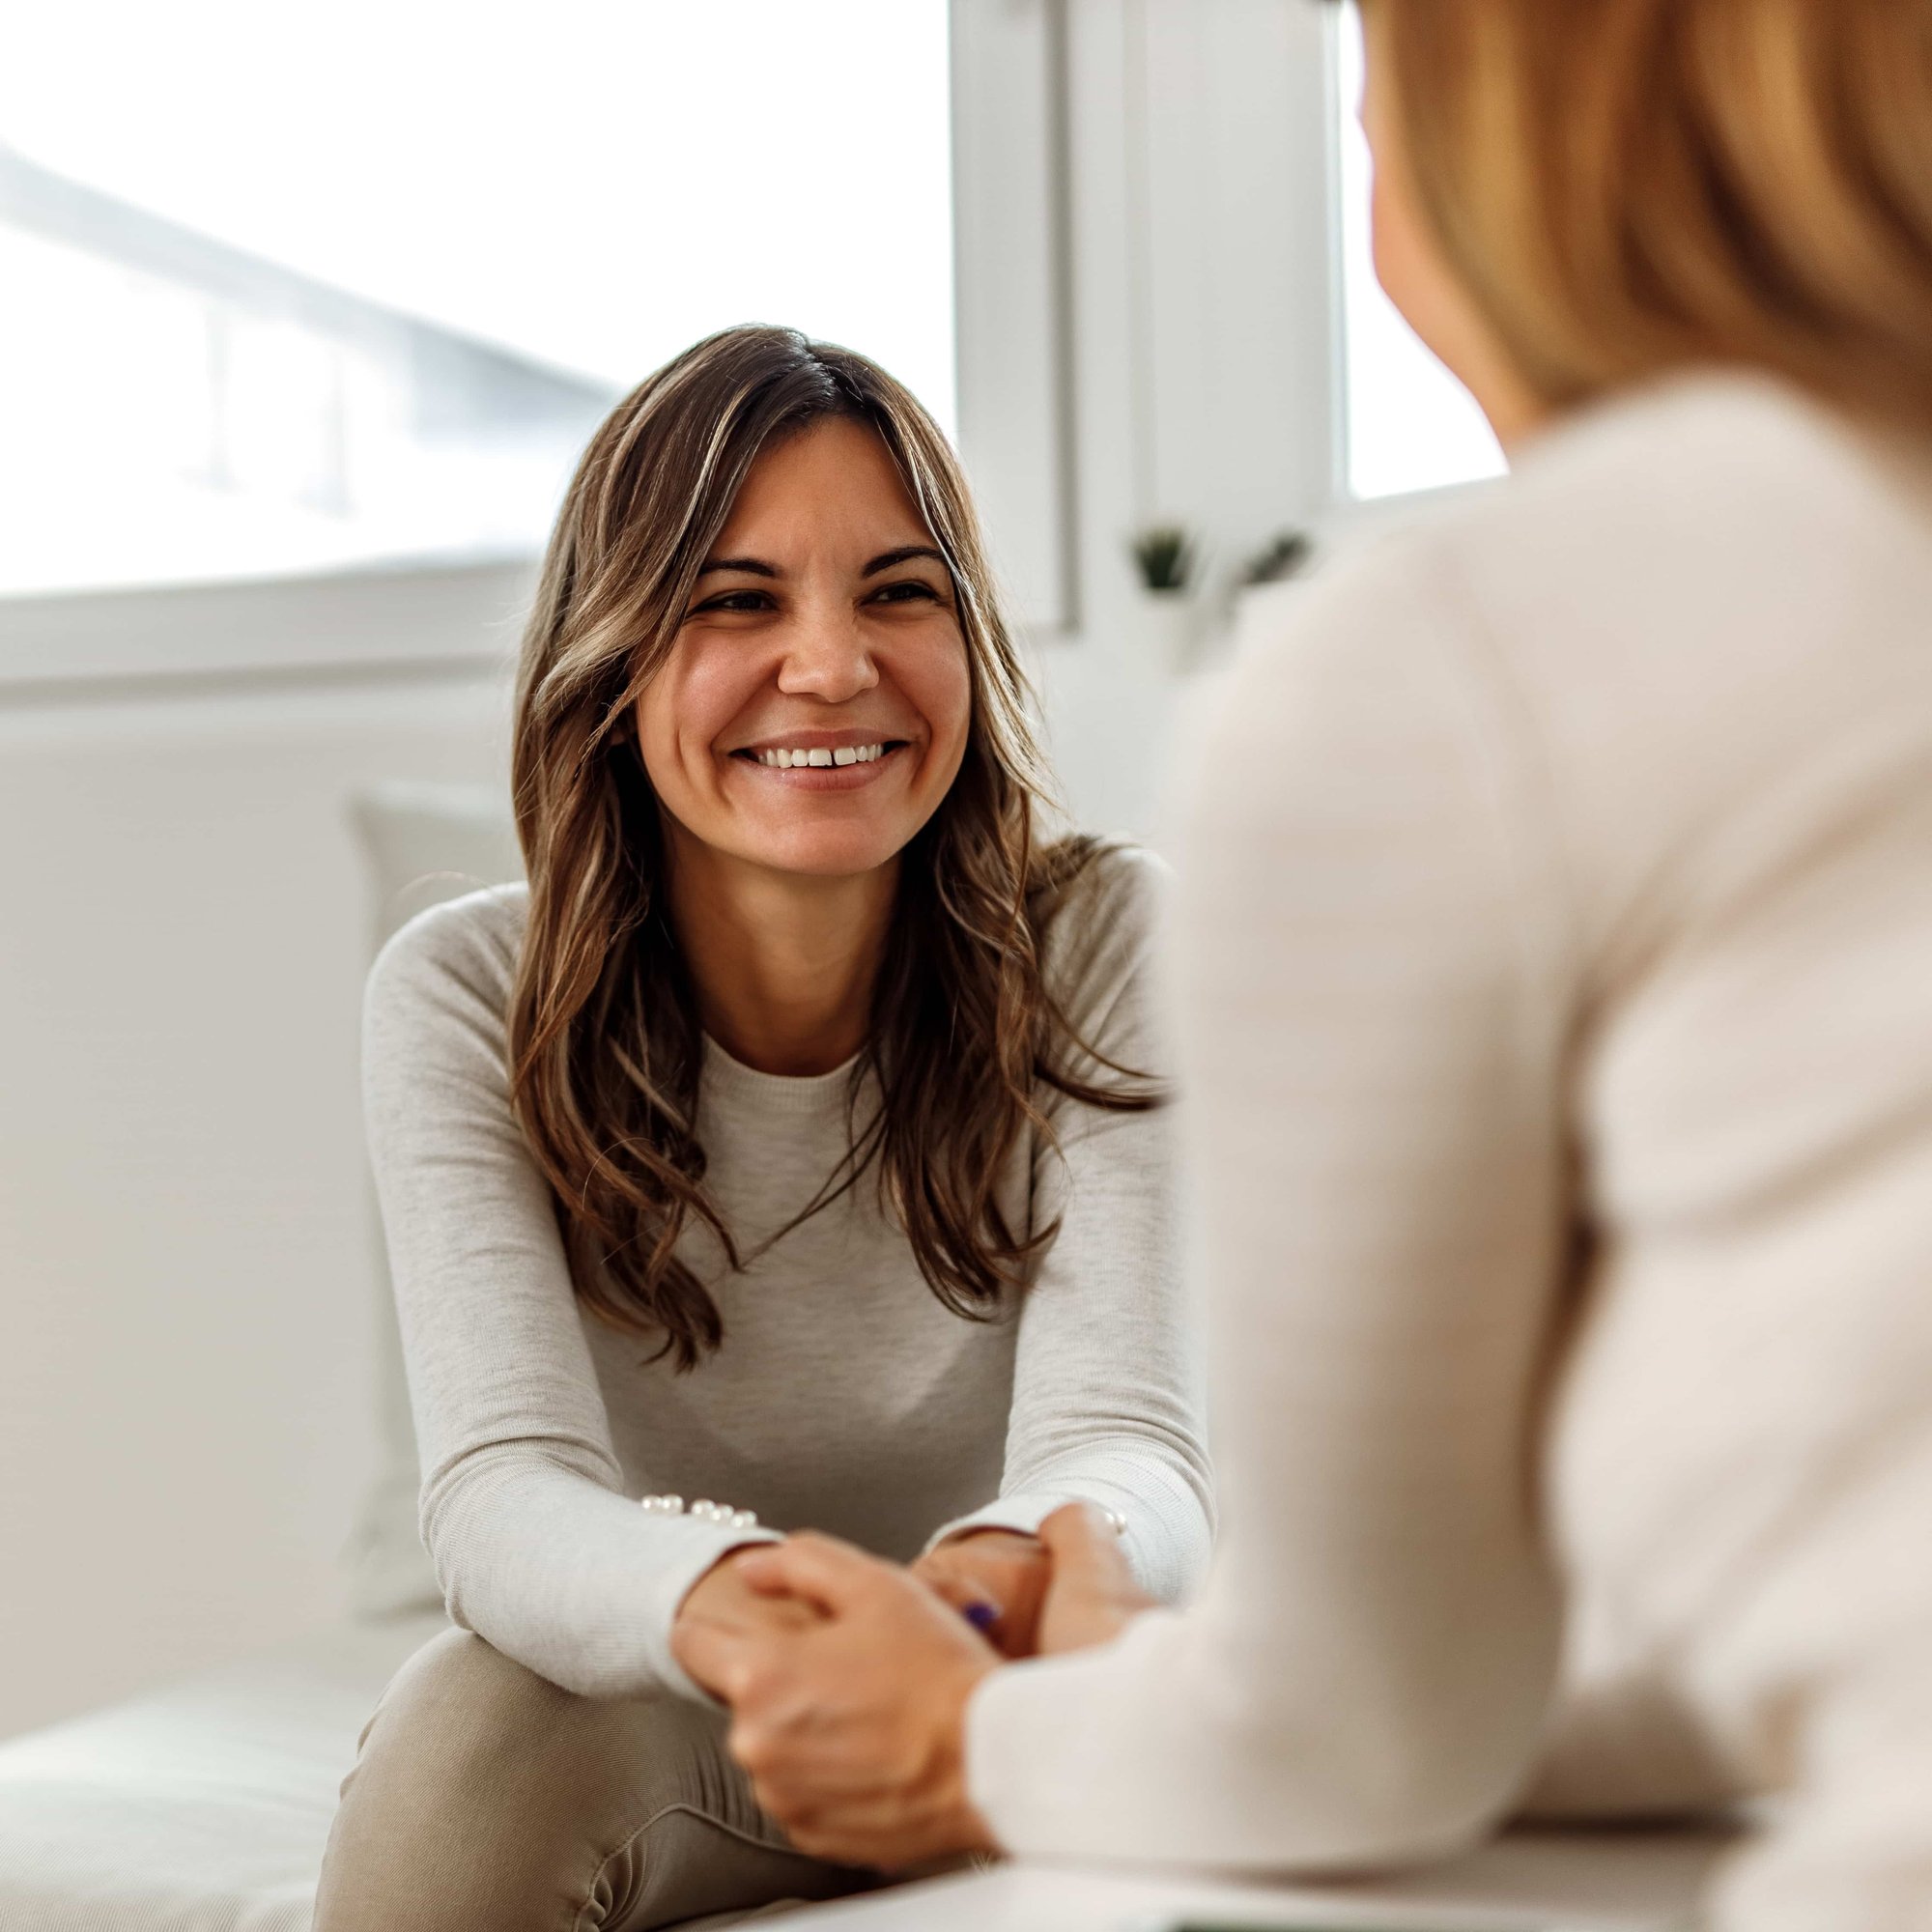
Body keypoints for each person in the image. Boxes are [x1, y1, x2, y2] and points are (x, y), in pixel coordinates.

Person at [679, 5, 1932, 1925]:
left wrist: (972, 1739)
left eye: (1366, 111)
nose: (827, 666)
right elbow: (1782, 1625)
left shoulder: (1457, 668)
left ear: (1492, 154)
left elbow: (1364, 1726)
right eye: (737, 602)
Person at [310, 325, 1212, 1932]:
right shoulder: (460, 991)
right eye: (738, 600)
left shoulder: (1100, 940)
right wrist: (746, 1609)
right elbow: (504, 1493)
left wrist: (971, 1604)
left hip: (1032, 1683)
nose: (830, 664)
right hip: (697, 1683)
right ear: (617, 656)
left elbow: (1124, 1445)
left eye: (897, 590)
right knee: (466, 1739)